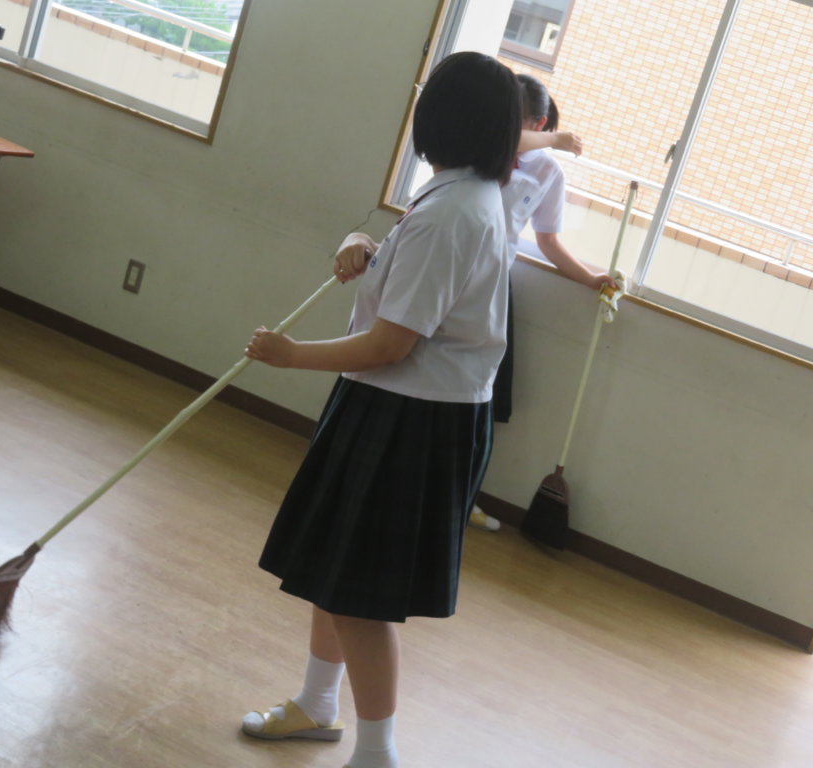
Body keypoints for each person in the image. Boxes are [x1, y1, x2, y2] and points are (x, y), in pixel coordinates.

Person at [237, 51, 521, 768]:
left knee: (359, 593)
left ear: (441, 118)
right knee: (336, 570)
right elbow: (406, 288)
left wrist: (289, 355)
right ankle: (317, 705)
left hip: (411, 418)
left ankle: (376, 755)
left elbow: (392, 345)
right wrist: (361, 244)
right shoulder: (458, 196)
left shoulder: (452, 212)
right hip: (401, 407)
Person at [469, 74, 615, 533]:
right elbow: (504, 138)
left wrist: (590, 279)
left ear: (538, 121)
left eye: (517, 117)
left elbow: (548, 241)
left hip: (491, 283)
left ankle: (462, 496)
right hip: (448, 263)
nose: (505, 123)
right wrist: (558, 138)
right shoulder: (481, 140)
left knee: (480, 398)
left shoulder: (548, 171)